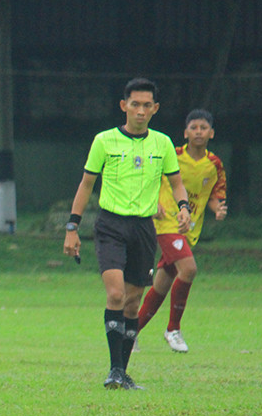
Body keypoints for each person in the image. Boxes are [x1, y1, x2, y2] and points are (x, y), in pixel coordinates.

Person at [63, 78, 191, 390]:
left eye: (147, 105)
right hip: (110, 225)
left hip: (144, 228)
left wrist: (183, 206)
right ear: (124, 106)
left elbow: (175, 183)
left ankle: (123, 373)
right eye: (135, 104)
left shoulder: (162, 144)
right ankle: (114, 370)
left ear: (155, 109)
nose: (141, 110)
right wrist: (72, 226)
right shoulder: (105, 141)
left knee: (133, 303)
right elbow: (86, 184)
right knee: (116, 294)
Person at [137, 109, 227, 352]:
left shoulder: (214, 164)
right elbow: (149, 178)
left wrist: (217, 208)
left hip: (189, 229)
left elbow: (215, 194)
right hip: (166, 222)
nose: (199, 131)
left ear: (212, 133)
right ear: (186, 132)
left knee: (162, 285)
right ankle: (172, 329)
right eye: (194, 127)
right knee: (189, 269)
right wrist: (153, 202)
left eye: (203, 128)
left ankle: (130, 331)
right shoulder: (172, 155)